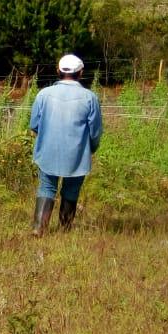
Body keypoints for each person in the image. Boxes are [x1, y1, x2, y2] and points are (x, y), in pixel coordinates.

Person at [29, 54, 103, 236]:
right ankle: (65, 229)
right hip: (77, 154)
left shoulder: (43, 94)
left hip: (47, 151)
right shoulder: (90, 98)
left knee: (46, 186)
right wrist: (91, 149)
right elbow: (95, 131)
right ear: (81, 73)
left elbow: (34, 124)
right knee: (71, 189)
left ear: (58, 71)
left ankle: (39, 228)